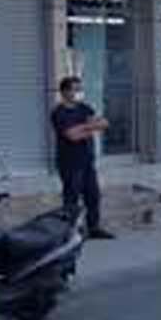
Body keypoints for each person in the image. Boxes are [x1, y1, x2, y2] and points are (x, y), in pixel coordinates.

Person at [50, 76, 113, 238]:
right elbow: (72, 136)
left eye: (79, 89)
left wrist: (83, 128)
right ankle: (69, 231)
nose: (78, 92)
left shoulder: (84, 108)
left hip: (87, 160)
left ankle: (94, 228)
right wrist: (90, 127)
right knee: (71, 198)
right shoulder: (59, 113)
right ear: (64, 92)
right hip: (69, 162)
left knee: (93, 195)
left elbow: (104, 123)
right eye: (75, 89)